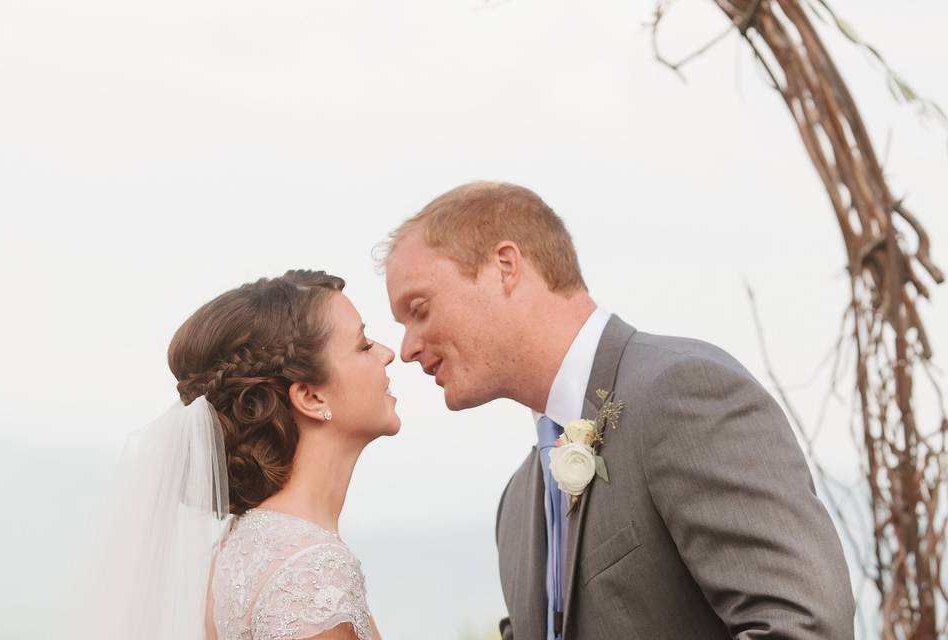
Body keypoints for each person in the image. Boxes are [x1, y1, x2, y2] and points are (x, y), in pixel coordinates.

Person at [383, 182, 856, 639]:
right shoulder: (516, 504)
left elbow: (805, 626)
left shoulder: (683, 393)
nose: (406, 349)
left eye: (419, 309)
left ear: (504, 266)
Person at [97, 270, 396, 640]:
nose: (388, 354)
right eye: (364, 345)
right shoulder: (311, 571)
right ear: (311, 397)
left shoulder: (235, 550)